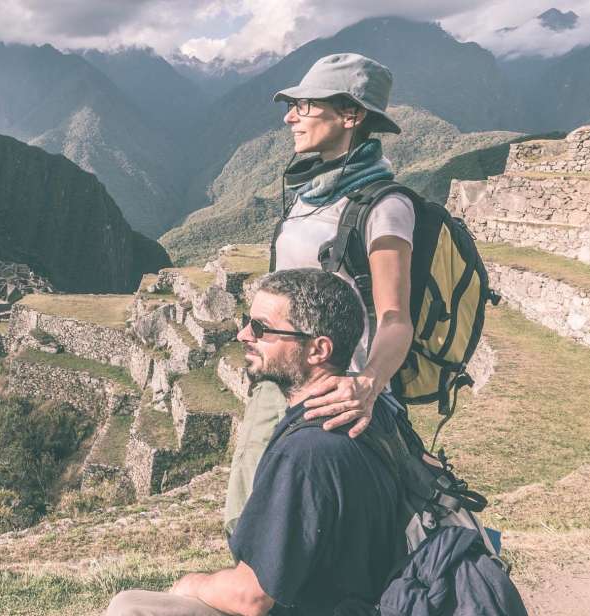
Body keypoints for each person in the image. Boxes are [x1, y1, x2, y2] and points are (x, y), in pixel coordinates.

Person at [106, 268, 405, 616]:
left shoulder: (304, 454)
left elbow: (252, 598)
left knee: (131, 610)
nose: (243, 334)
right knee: (128, 601)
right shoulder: (373, 410)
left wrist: (192, 583)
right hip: (364, 597)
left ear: (317, 349)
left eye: (261, 328)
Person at [224, 53, 415, 533]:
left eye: (305, 106)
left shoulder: (384, 206)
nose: (290, 117)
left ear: (349, 116)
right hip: (282, 375)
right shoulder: (311, 194)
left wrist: (368, 385)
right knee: (250, 503)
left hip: (333, 389)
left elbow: (395, 317)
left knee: (299, 517)